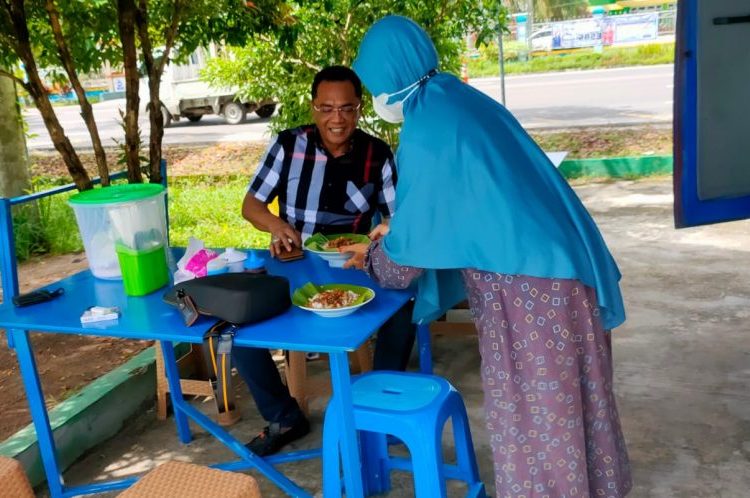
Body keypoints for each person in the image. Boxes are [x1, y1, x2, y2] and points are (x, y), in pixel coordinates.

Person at [342, 16, 632, 497]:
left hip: (528, 284)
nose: (375, 97)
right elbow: (466, 199)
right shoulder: (455, 100)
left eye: (373, 83)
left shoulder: (427, 128)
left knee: (539, 412)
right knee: (578, 397)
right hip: (559, 266)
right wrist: (398, 230)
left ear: (391, 73)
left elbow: (402, 266)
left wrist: (374, 256)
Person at [235, 65, 416, 456]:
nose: (337, 119)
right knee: (238, 324)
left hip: (357, 264)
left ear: (359, 108)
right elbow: (251, 205)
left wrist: (379, 238)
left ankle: (380, 409)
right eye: (327, 108)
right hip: (293, 263)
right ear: (314, 107)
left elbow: (394, 216)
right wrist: (276, 225)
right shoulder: (288, 145)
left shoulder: (377, 154)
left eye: (347, 109)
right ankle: (283, 416)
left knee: (404, 305)